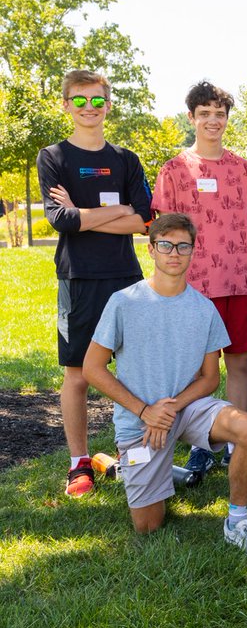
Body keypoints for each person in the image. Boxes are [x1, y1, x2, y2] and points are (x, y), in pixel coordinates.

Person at [82, 213, 247, 557]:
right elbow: (92, 369)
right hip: (138, 420)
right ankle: (123, 465)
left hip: (185, 409)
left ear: (192, 251)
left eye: (183, 246)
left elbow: (211, 378)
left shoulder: (204, 309)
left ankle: (237, 521)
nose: (174, 252)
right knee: (148, 525)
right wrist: (145, 410)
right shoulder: (124, 302)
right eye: (166, 245)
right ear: (151, 249)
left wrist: (168, 408)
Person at [38, 69, 153, 497]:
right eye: (80, 100)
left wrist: (86, 215)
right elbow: (60, 220)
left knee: (135, 370)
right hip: (79, 278)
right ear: (66, 105)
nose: (90, 108)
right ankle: (79, 463)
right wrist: (115, 211)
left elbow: (143, 221)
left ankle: (135, 452)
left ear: (109, 103)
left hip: (126, 279)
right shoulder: (53, 157)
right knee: (79, 374)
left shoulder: (126, 159)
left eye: (97, 100)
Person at [152, 81, 247, 473]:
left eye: (220, 114)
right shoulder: (173, 171)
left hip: (239, 283)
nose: (213, 121)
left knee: (238, 364)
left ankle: (237, 441)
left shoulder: (243, 168)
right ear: (192, 117)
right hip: (193, 289)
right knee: (197, 371)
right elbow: (163, 233)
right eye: (205, 114)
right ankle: (200, 442)